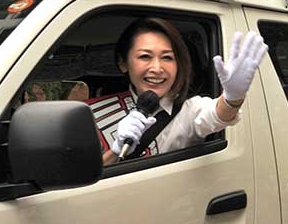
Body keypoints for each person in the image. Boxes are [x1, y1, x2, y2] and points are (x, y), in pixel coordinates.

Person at [90, 17, 267, 165]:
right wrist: (116, 150)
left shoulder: (188, 110)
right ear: (123, 63)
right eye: (145, 56)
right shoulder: (92, 113)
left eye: (167, 57)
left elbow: (218, 114)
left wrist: (233, 97)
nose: (157, 68)